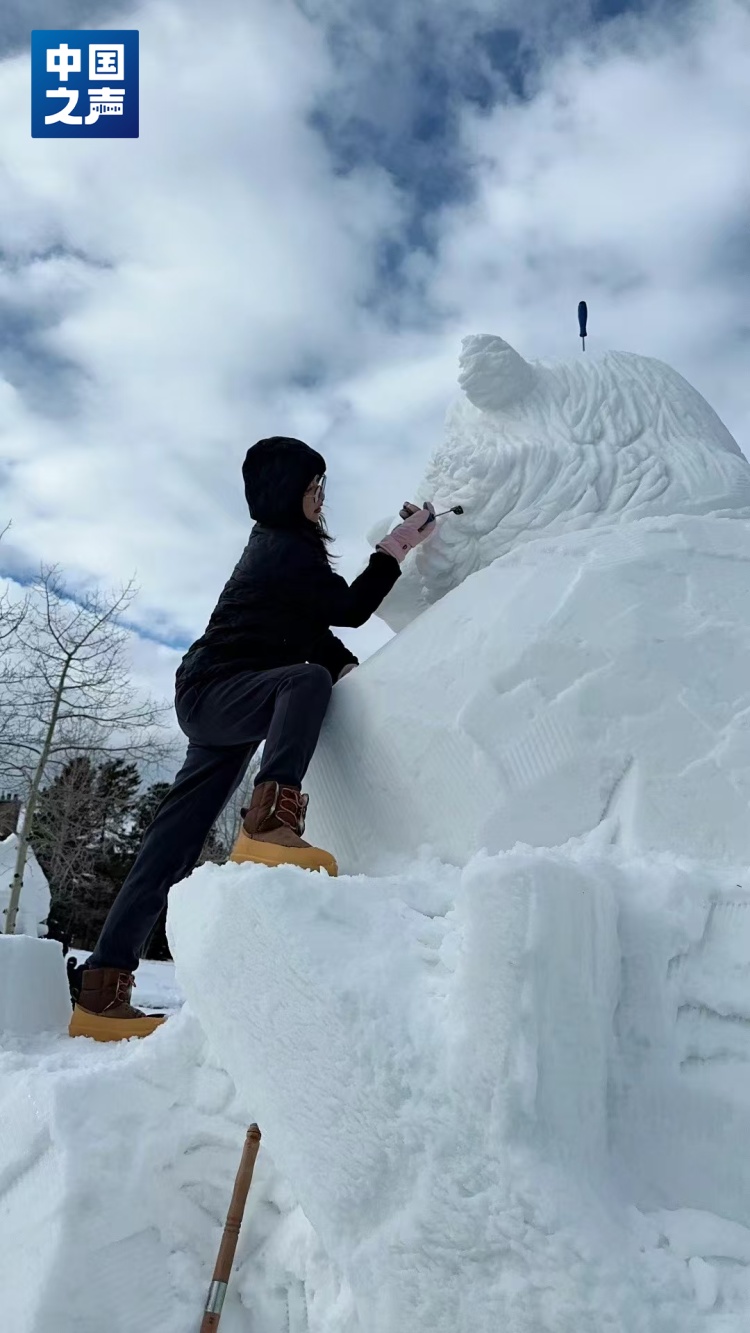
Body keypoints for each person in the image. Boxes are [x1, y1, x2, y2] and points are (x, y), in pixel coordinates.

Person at [69, 436, 436, 1041]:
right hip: (217, 689)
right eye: (312, 486)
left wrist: (360, 678)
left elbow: (313, 633)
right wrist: (395, 550)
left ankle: (101, 991)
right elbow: (346, 611)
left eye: (323, 487)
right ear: (283, 491)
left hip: (225, 696)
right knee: (305, 682)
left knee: (171, 847)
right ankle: (268, 821)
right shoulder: (280, 547)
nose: (321, 498)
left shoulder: (292, 557)